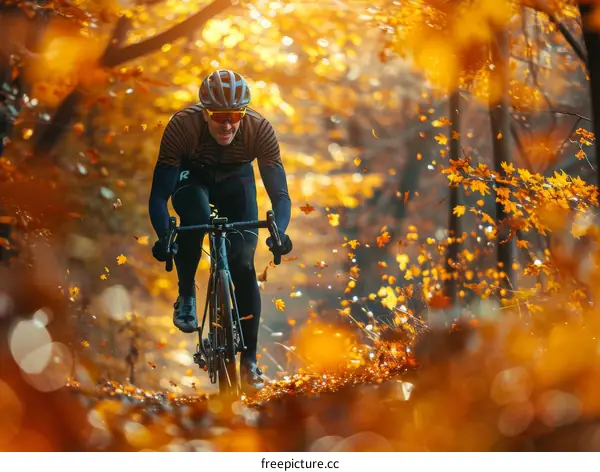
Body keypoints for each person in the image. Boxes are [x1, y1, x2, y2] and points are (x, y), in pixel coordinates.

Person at [148, 69, 293, 390]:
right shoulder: (182, 127)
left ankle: (250, 362)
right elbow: (159, 195)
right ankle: (186, 293)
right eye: (218, 116)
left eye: (235, 115)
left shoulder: (259, 129)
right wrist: (163, 235)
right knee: (195, 216)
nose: (227, 124)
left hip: (235, 183)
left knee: (243, 264)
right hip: (193, 179)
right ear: (204, 112)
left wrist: (279, 232)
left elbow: (280, 195)